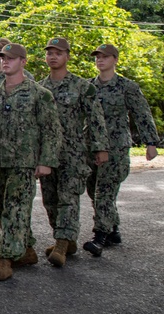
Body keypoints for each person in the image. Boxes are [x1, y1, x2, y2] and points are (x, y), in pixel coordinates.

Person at [0, 43, 60, 281]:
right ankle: (27, 250)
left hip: (24, 163)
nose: (5, 61)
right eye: (2, 57)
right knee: (3, 210)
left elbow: (51, 131)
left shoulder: (39, 94)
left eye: (11, 58)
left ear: (23, 62)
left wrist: (46, 161)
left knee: (16, 208)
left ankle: (5, 260)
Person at [82, 43, 160, 255]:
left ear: (115, 60)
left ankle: (99, 237)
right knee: (92, 189)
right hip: (91, 146)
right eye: (97, 57)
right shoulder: (88, 86)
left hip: (115, 147)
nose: (100, 60)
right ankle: (113, 228)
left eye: (105, 57)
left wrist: (151, 143)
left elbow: (142, 114)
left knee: (104, 192)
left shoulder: (127, 87)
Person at [37, 38, 109, 266]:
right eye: (49, 53)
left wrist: (100, 148)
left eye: (58, 53)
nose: (53, 57)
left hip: (73, 152)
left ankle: (61, 243)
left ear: (67, 56)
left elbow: (95, 118)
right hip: (47, 154)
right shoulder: (39, 88)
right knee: (50, 200)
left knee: (68, 198)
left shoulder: (82, 86)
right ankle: (67, 239)